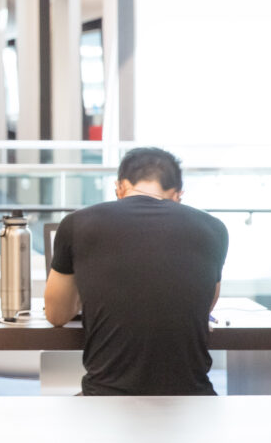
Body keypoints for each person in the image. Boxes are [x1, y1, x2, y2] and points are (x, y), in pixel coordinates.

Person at [44, 147, 228, 396]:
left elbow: (57, 315)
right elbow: (205, 306)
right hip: (191, 400)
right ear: (177, 195)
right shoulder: (214, 229)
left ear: (119, 187)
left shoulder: (77, 224)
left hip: (106, 400)